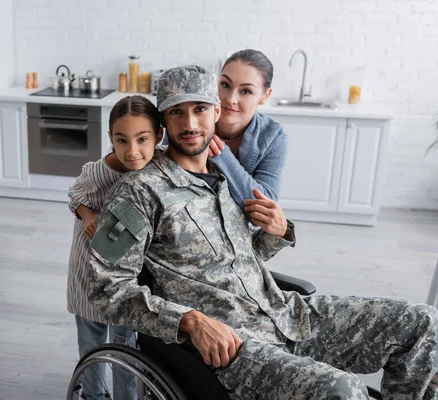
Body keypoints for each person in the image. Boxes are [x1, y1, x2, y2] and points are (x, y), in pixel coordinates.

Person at [87, 65, 438, 400]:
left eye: (200, 109)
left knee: (425, 324)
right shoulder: (139, 191)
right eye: (177, 112)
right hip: (233, 347)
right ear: (162, 122)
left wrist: (277, 231)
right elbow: (102, 288)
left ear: (217, 112)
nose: (190, 123)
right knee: (342, 390)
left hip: (285, 315)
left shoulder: (223, 178)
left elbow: (233, 261)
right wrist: (188, 321)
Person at [67, 95, 163, 400]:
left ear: (158, 136)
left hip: (132, 278)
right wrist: (87, 215)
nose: (132, 151)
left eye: (142, 139)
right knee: (93, 342)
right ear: (111, 139)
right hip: (90, 268)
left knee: (127, 343)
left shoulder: (161, 166)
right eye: (122, 140)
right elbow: (75, 193)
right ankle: (93, 396)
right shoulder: (99, 171)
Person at [208, 49, 286, 209]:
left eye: (246, 91)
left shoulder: (272, 137)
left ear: (265, 96)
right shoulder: (192, 120)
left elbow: (265, 204)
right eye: (225, 85)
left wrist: (221, 154)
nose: (231, 99)